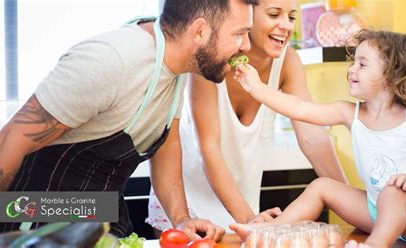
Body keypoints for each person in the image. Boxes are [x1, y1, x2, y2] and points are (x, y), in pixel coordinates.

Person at [0, 0, 259, 240]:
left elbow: (167, 143)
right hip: (36, 219)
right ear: (199, 31)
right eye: (239, 34)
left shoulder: (177, 67)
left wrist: (181, 219)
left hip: (101, 216)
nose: (247, 45)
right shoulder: (110, 59)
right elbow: (9, 141)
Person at [231, 29, 406, 247]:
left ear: (391, 74)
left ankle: (376, 244)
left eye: (362, 64)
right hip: (376, 209)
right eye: (353, 62)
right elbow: (300, 109)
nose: (351, 70)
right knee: (321, 186)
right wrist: (258, 89)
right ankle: (269, 230)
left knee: (393, 191)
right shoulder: (351, 113)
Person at [147, 0, 348, 233]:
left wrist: (353, 203)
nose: (285, 25)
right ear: (246, 16)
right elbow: (208, 149)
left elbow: (313, 137)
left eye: (291, 17)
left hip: (244, 207)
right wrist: (249, 219)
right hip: (186, 210)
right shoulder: (211, 61)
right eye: (274, 14)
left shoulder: (287, 62)